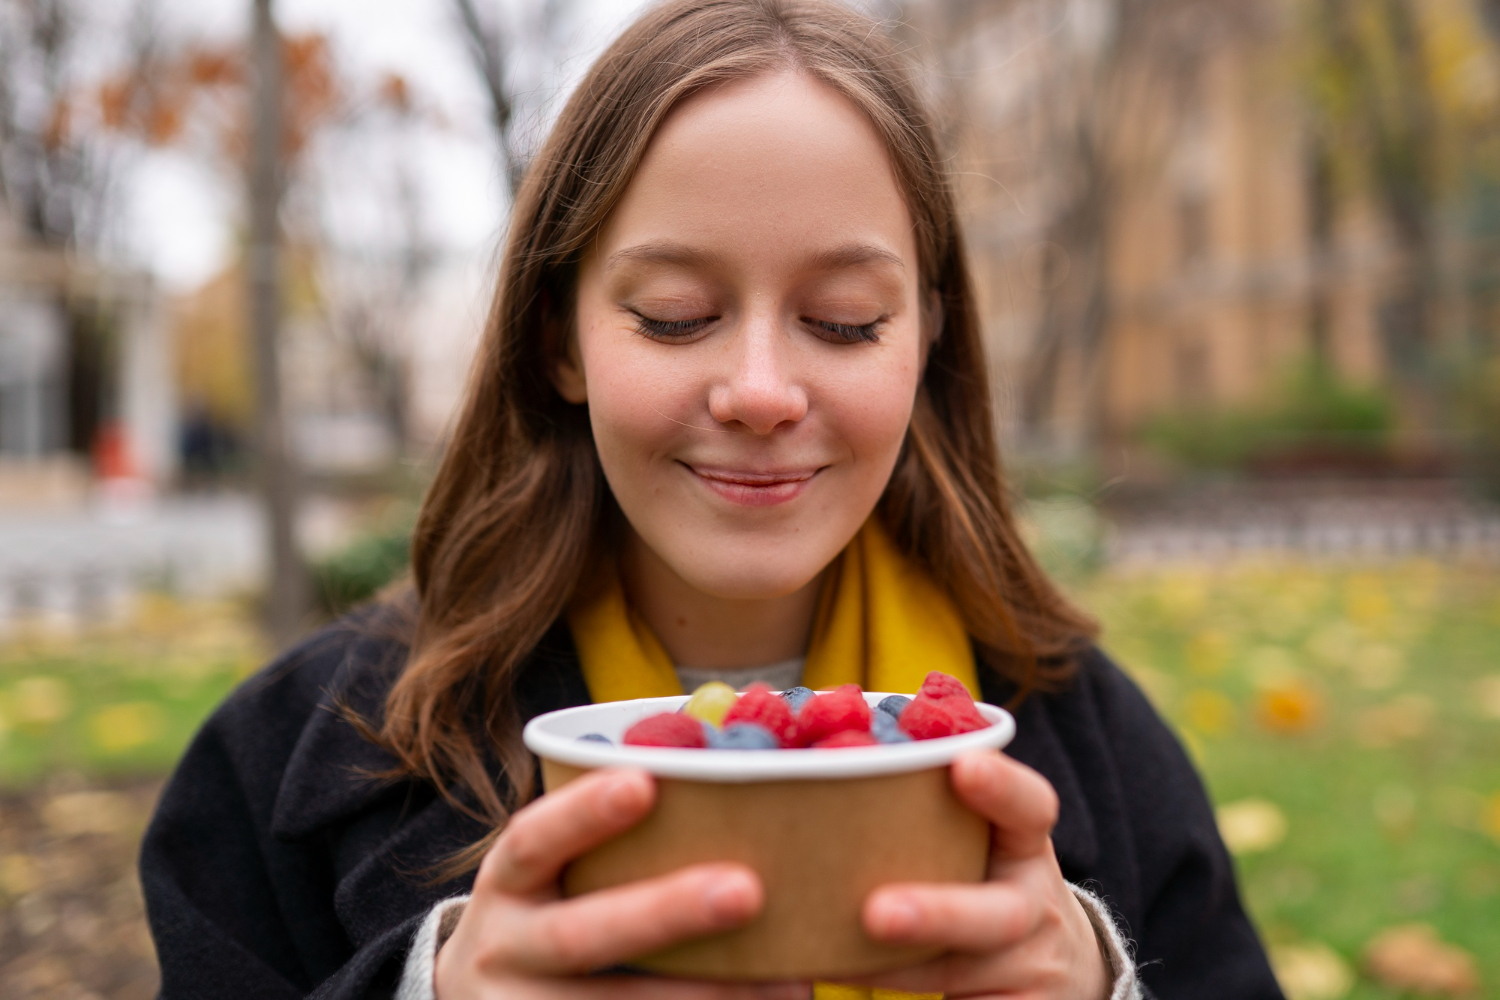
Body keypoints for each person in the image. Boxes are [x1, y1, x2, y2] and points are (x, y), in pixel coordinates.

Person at [140, 2, 1285, 998]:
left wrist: (1104, 986)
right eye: (676, 314)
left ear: (927, 340)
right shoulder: (286, 758)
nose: (759, 391)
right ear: (559, 340)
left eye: (843, 319)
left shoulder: (1095, 742)